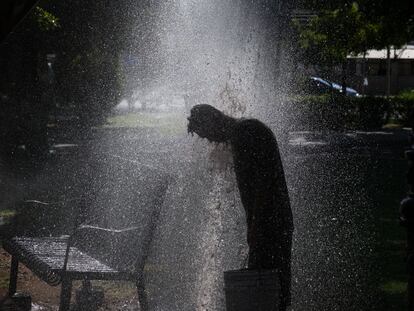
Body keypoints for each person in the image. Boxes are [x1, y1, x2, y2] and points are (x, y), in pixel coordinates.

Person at [187, 104, 293, 310]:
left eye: (207, 134)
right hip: (271, 222)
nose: (210, 140)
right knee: (269, 284)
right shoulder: (242, 134)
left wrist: (255, 225)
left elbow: (264, 183)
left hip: (272, 223)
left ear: (214, 120)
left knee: (270, 285)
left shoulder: (247, 133)